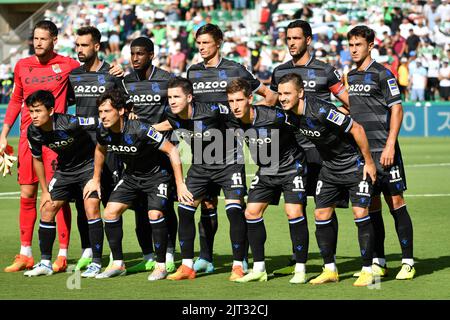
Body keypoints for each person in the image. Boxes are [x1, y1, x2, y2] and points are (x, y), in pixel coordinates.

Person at [186, 23, 277, 273]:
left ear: (219, 42)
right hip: (202, 150)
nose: (201, 47)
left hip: (230, 150)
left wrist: (251, 126)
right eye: (199, 43)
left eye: (206, 42)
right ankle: (206, 258)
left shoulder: (235, 69)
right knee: (207, 205)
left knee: (235, 206)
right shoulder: (193, 73)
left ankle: (241, 259)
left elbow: (268, 96)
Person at [278, 73, 378, 287]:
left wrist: (369, 162)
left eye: (287, 93)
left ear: (301, 93)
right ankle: (330, 269)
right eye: (280, 94)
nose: (283, 98)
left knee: (360, 213)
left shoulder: (322, 110)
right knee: (321, 213)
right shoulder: (289, 115)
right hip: (329, 168)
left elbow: (357, 129)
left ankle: (368, 270)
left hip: (354, 164)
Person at [83, 89, 192, 280]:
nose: (103, 116)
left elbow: (172, 151)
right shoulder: (103, 131)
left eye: (107, 111)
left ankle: (161, 266)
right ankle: (118, 264)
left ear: (121, 111)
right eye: (100, 112)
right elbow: (100, 150)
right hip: (131, 177)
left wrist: (180, 184)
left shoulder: (141, 129)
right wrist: (96, 179)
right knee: (109, 212)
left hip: (157, 176)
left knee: (154, 214)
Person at [270, 19, 349, 275]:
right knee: (296, 204)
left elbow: (347, 101)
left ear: (308, 40)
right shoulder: (279, 71)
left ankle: (330, 257)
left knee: (324, 204)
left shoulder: (326, 70)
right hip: (292, 151)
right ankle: (300, 255)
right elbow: (274, 108)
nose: (292, 43)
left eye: (296, 38)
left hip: (321, 151)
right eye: (288, 38)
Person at [1, 20, 78, 273]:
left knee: (58, 197)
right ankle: (25, 253)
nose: (37, 43)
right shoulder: (23, 65)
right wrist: (3, 135)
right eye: (35, 39)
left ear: (54, 39)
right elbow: (15, 101)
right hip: (27, 139)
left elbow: (93, 74)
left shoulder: (68, 65)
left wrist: (116, 70)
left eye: (43, 39)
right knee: (27, 195)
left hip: (56, 140)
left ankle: (63, 255)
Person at [153, 77, 248, 281]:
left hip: (229, 163)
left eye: (176, 96)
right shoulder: (171, 113)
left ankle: (239, 264)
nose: (172, 101)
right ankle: (187, 266)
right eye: (169, 97)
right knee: (185, 209)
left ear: (189, 97)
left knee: (234, 210)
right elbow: (170, 125)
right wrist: (146, 129)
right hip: (200, 167)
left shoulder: (213, 110)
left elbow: (237, 119)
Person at [347, 25, 415, 280]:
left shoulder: (383, 75)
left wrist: (389, 144)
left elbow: (397, 109)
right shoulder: (350, 77)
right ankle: (380, 261)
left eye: (358, 45)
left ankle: (408, 262)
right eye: (351, 45)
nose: (354, 49)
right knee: (371, 206)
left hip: (385, 152)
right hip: (364, 155)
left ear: (370, 46)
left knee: (395, 202)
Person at [226, 78, 309, 284]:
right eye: (231, 101)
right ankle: (259, 268)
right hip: (266, 170)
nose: (235, 106)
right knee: (251, 212)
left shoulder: (275, 116)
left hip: (291, 167)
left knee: (293, 212)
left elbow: (302, 123)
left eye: (239, 100)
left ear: (250, 99)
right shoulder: (232, 120)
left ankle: (300, 268)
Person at [22, 90, 102, 277]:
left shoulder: (71, 122)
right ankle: (45, 263)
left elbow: (100, 123)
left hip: (88, 166)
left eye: (38, 111)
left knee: (91, 207)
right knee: (47, 208)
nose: (33, 116)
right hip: (64, 170)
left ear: (50, 111)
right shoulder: (33, 131)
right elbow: (37, 159)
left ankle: (96, 263)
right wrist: (45, 190)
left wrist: (98, 172)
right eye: (31, 111)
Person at [68, 26, 125, 272]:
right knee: (84, 203)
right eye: (77, 45)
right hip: (81, 148)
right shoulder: (73, 76)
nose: (79, 50)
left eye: (84, 45)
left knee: (111, 201)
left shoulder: (112, 74)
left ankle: (116, 256)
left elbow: (125, 106)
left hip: (108, 148)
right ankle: (88, 251)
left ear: (97, 46)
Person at [122, 36, 178, 275]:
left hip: (162, 151)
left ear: (151, 55)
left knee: (164, 206)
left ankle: (169, 254)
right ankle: (147, 256)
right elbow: (121, 113)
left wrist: (153, 130)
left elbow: (177, 116)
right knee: (139, 207)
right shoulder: (124, 83)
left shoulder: (166, 80)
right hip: (135, 155)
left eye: (140, 54)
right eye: (133, 53)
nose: (135, 58)